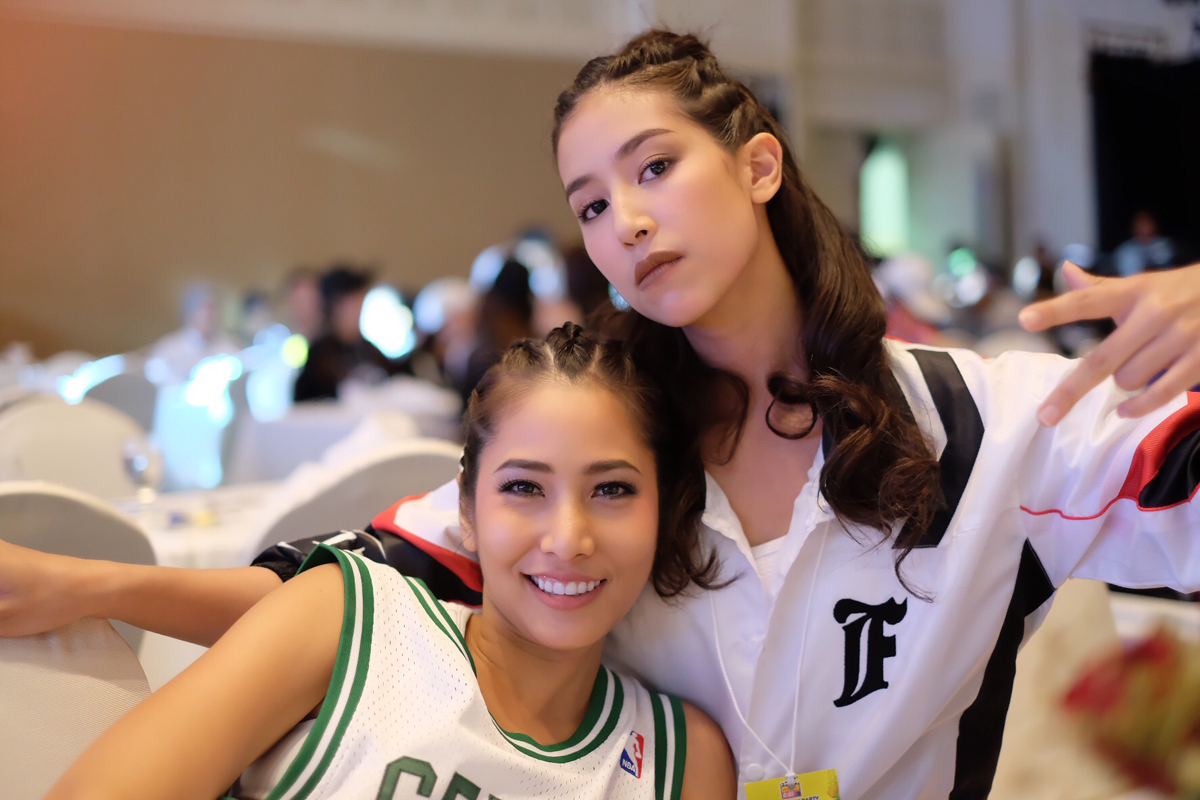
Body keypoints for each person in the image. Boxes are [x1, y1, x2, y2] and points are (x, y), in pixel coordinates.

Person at [4, 29, 1200, 800]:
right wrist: (86, 585)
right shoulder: (606, 452)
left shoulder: (991, 427)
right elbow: (347, 600)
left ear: (760, 165)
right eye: (589, 202)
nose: (623, 220)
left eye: (654, 167)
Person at [45, 324, 735, 800]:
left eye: (612, 490)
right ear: (466, 510)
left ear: (664, 512)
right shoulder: (346, 620)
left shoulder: (681, 762)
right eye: (524, 488)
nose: (568, 537)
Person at [292, 265, 405, 402]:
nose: (360, 308)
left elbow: (399, 378)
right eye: (355, 301)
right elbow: (304, 404)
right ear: (338, 305)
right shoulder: (321, 357)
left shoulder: (369, 350)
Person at [145, 282, 241, 385]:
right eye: (204, 308)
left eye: (213, 308)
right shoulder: (168, 350)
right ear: (190, 311)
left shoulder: (229, 348)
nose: (209, 314)